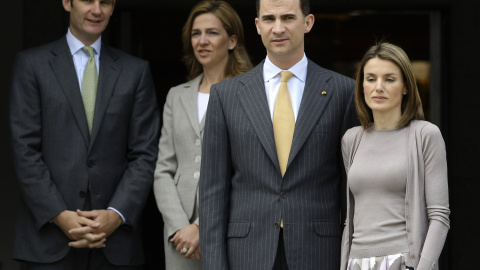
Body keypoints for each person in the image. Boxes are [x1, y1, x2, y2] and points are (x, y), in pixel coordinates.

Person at [198, 0, 358, 269]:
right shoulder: (226, 96)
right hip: (247, 253)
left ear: (308, 23)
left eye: (288, 18)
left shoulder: (342, 92)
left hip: (319, 252)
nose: (278, 28)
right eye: (270, 19)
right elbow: (213, 193)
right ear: (258, 26)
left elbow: (350, 189)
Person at [8, 0, 160, 269]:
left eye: (105, 2)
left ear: (113, 8)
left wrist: (116, 214)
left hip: (114, 244)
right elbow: (24, 149)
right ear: (67, 3)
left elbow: (145, 153)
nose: (97, 10)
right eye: (88, 0)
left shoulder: (135, 71)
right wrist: (59, 215)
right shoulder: (32, 65)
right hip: (48, 243)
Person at [153, 1, 252, 269]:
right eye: (196, 33)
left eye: (212, 33)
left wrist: (201, 226)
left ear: (232, 40)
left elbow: (248, 171)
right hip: (179, 237)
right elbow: (163, 169)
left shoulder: (249, 93)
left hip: (230, 226)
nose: (202, 41)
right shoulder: (177, 95)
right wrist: (178, 226)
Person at [340, 43, 450, 270]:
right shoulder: (351, 140)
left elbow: (439, 217)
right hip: (357, 263)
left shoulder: (425, 135)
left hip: (403, 261)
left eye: (389, 79)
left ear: (406, 87)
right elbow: (349, 219)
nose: (378, 87)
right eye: (370, 79)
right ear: (361, 85)